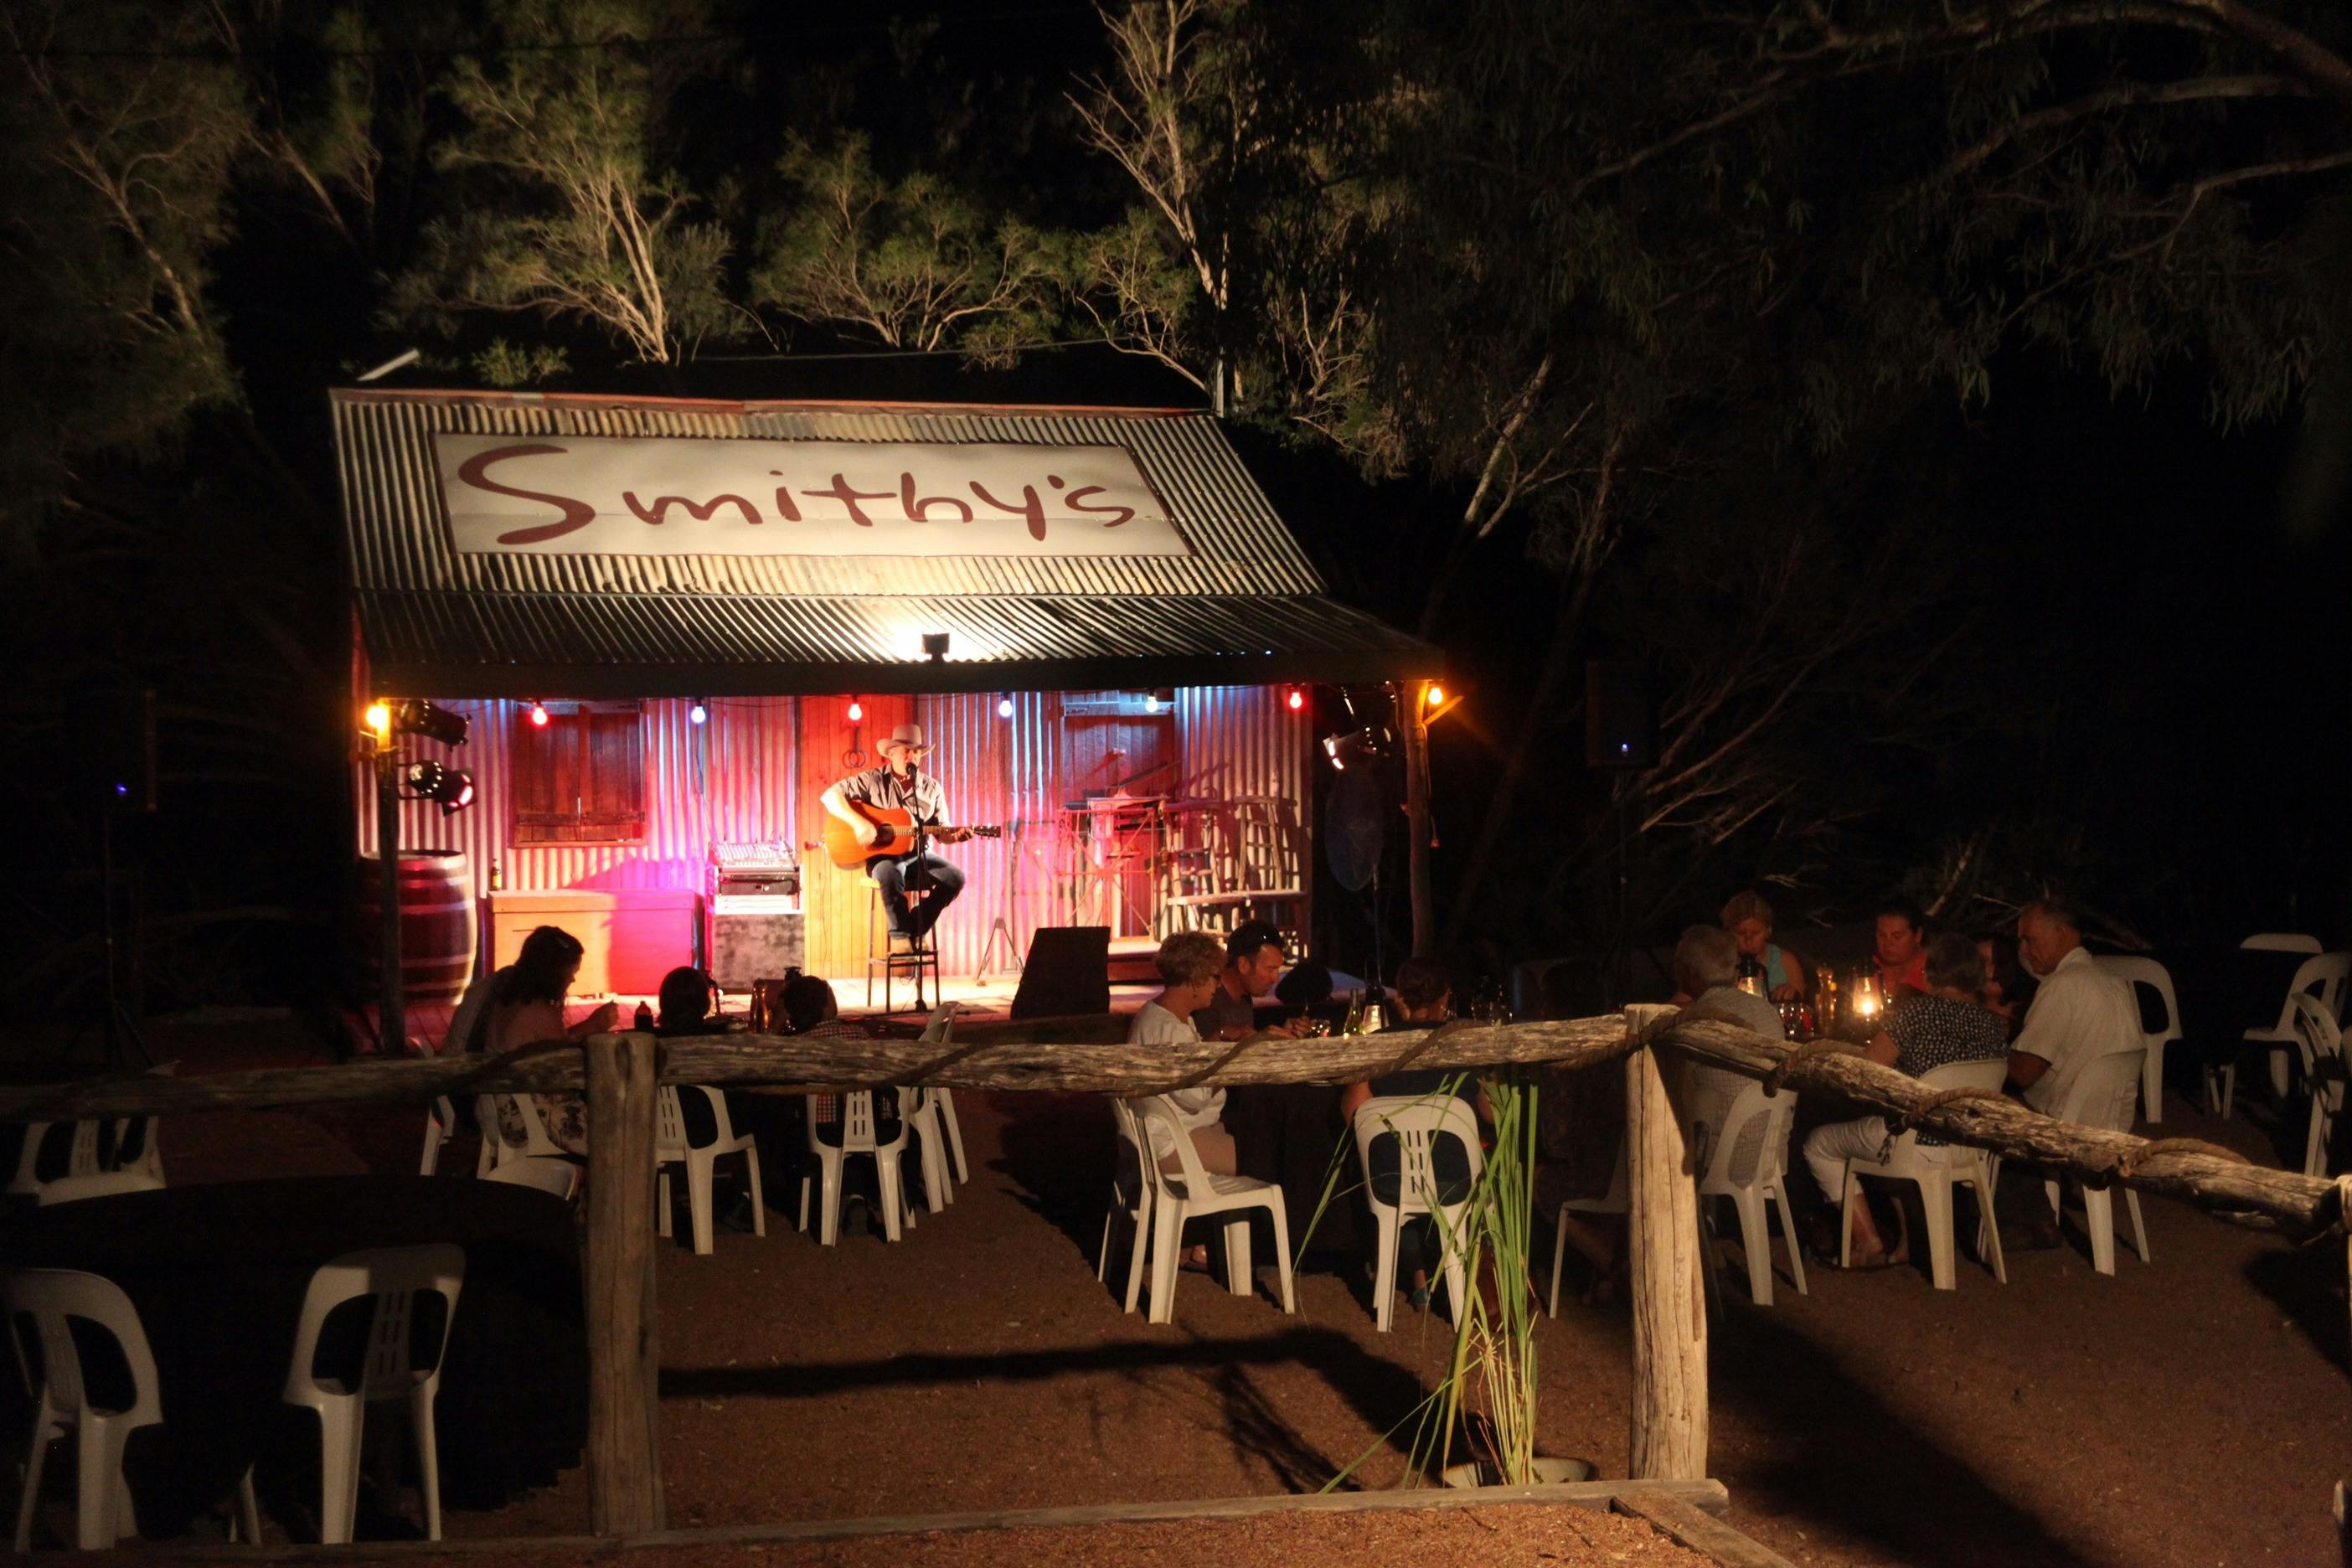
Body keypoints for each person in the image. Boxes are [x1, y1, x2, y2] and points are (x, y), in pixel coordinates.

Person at [1803, 934, 2010, 1266]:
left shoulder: (1915, 1013)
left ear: (1929, 974)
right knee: (1883, 1127)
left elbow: (1866, 1071)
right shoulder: (1993, 1026)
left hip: (1915, 1141)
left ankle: (1869, 1243)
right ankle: (1906, 1243)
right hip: (1968, 1145)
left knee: (1819, 1142)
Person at [1339, 957, 1490, 1314]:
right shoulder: (1463, 1044)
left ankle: (1419, 1280)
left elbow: (1354, 1113)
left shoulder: (1378, 1046)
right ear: (1446, 998)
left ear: (1401, 998)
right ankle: (1463, 1275)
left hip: (1394, 1182)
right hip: (1457, 1180)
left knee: (1397, 1165)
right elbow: (1491, 1112)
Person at [1129, 930, 1235, 1272]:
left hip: (1163, 1137)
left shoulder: (1160, 1016)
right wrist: (1227, 1063)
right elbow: (1196, 1096)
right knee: (1264, 1150)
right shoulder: (1169, 1031)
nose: (1217, 986)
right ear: (1195, 979)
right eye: (1214, 978)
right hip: (1170, 1145)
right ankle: (1234, 1252)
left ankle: (1202, 1244)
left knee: (1251, 1133)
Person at [820, 724, 972, 951]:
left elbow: (942, 830)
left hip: (919, 855)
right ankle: (900, 935)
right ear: (891, 754)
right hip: (884, 857)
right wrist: (859, 823)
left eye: (916, 751)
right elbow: (829, 796)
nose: (911, 756)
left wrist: (955, 836)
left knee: (955, 878)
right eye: (905, 750)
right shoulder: (872, 780)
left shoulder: (932, 788)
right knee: (889, 872)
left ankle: (917, 927)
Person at [482, 926, 620, 1158]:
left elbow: (550, 1043)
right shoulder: (540, 1011)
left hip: (498, 1111)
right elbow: (566, 1061)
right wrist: (595, 1027)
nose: (574, 978)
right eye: (572, 971)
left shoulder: (506, 1002)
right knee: (616, 1119)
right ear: (555, 972)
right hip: (529, 1117)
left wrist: (590, 1026)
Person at [2008, 896, 2141, 1117]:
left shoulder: (2062, 984)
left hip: (2062, 1117)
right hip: (2108, 1117)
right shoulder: (2113, 980)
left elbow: (2024, 1073)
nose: (2022, 950)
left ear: (2062, 933)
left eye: (2029, 940)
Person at [1193, 919, 1313, 1042]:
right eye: (1270, 969)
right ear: (1243, 965)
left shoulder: (1243, 995)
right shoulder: (1208, 998)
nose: (1276, 979)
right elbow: (1199, 1054)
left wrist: (1282, 1035)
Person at [1720, 890, 1811, 1002]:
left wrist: (1792, 993)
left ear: (1768, 931)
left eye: (1755, 933)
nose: (1749, 941)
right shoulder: (1720, 963)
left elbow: (1802, 1001)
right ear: (1729, 933)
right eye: (1741, 934)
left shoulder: (1786, 961)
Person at [1976, 931, 2037, 1040]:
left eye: (2001, 962)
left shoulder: (2037, 1010)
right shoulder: (1960, 1014)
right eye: (1983, 962)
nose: (1992, 969)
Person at [1873, 898, 1930, 999]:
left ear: (1918, 935)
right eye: (1882, 935)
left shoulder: (1936, 973)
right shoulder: (1868, 970)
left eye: (1897, 936)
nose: (1888, 944)